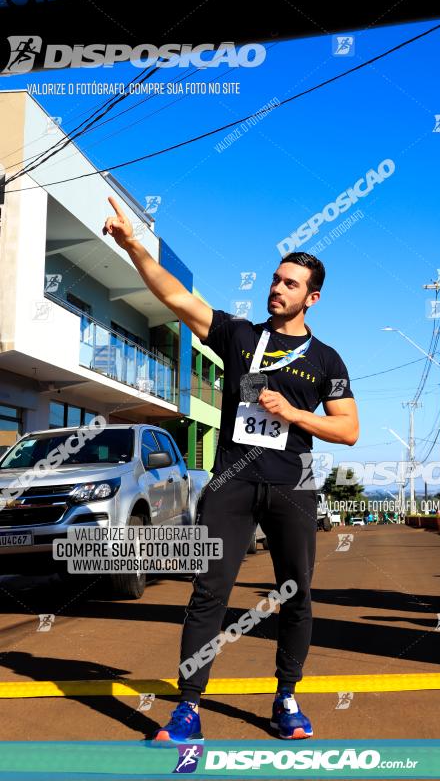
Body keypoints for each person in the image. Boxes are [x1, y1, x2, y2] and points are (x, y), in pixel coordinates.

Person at [103, 196, 359, 742]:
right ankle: (188, 707)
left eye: (291, 284)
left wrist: (292, 413)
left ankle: (286, 698)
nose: (278, 288)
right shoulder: (240, 335)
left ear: (312, 297)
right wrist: (132, 246)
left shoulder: (327, 360)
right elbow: (175, 296)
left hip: (294, 483)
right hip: (231, 480)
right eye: (275, 279)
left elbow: (349, 429)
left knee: (297, 592)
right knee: (209, 590)